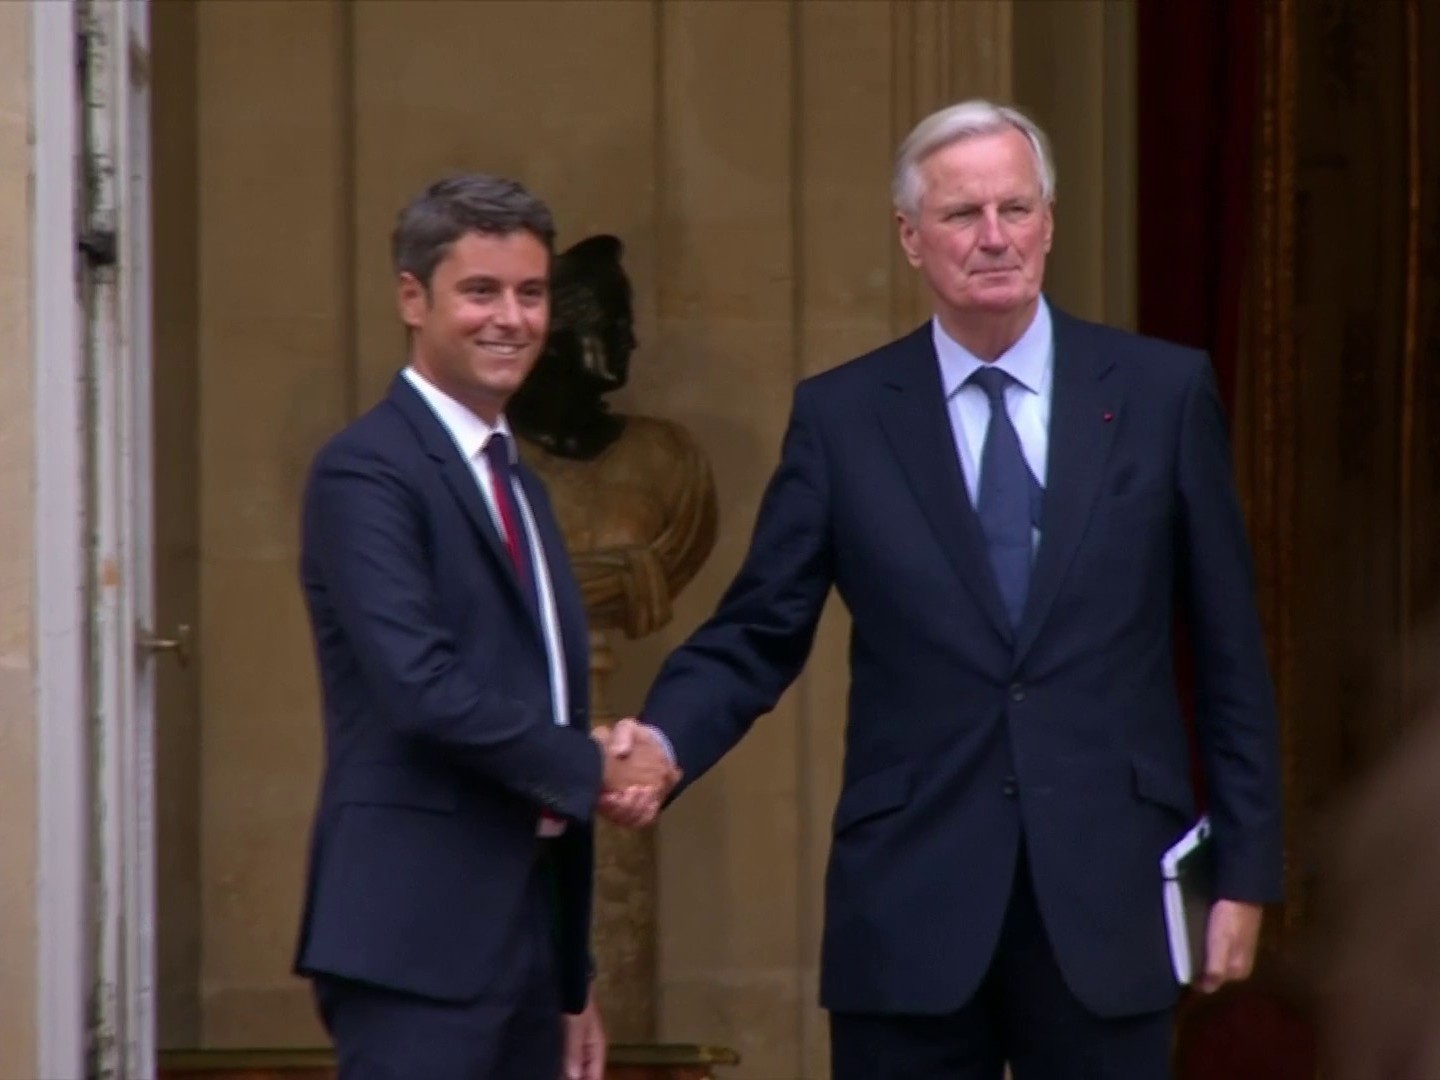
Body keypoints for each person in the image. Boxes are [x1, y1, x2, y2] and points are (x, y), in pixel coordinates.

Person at [610, 100, 1284, 1078]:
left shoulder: (1159, 395)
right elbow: (759, 629)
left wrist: (1245, 872)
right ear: (910, 237)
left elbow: (1229, 651)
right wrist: (666, 742)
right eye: (964, 214)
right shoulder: (843, 418)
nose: (995, 236)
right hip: (910, 905)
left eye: (1017, 208)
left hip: (1107, 897)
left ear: (1050, 221)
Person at [292, 174, 677, 1080]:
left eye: (530, 293)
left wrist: (573, 978)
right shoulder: (366, 472)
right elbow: (421, 688)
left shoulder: (516, 482)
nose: (512, 319)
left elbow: (536, 697)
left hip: (528, 945)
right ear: (412, 298)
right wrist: (594, 763)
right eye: (480, 291)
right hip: (415, 943)